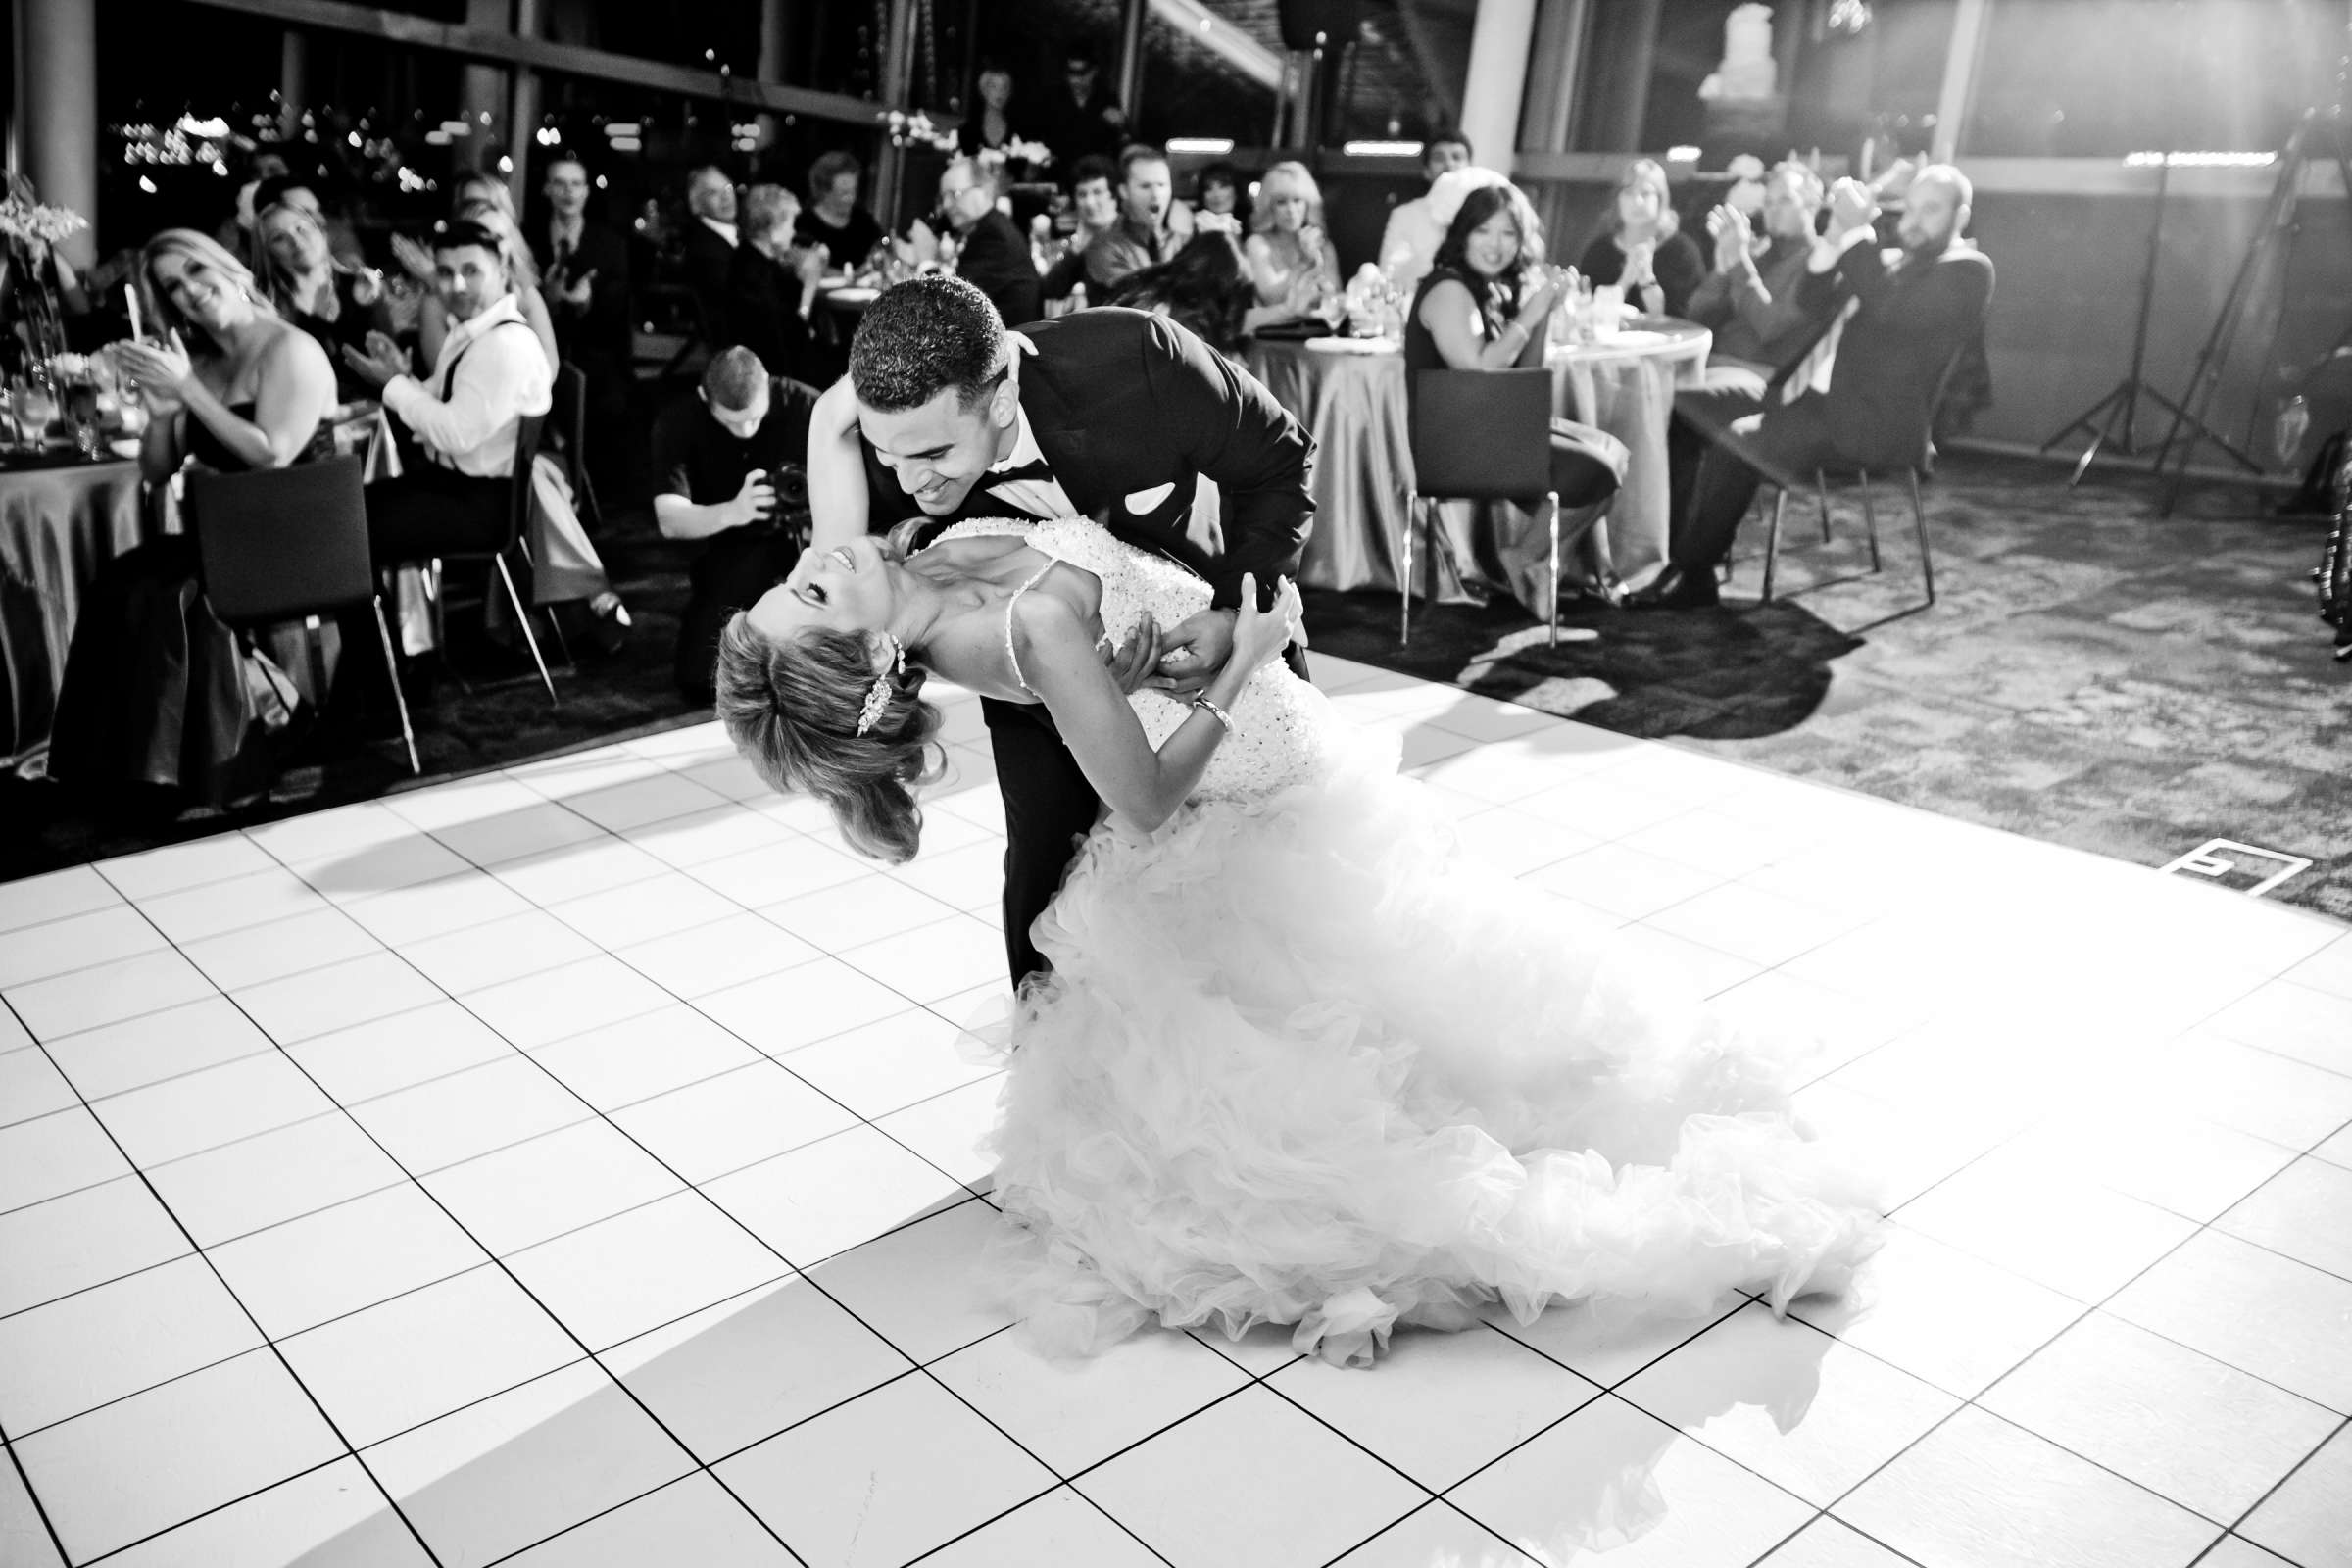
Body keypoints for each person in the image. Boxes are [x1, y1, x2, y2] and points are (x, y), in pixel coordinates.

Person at [711, 525, 1884, 1372]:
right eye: (810, 598)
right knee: (1400, 1026)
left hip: (1264, 767)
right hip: (1260, 790)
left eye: (791, 577)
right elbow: (1148, 805)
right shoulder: (1020, 626)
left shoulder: (929, 559)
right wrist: (1249, 649)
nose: (814, 563)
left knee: (1412, 1008)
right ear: (866, 664)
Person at [799, 275, 1315, 984]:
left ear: (1003, 396)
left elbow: (1283, 461)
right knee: (1046, 878)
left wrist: (1232, 612)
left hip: (1214, 608)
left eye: (934, 457)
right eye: (890, 457)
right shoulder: (900, 431)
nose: (910, 483)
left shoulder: (1138, 361)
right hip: (1030, 673)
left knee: (1283, 902)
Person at [48, 230, 336, 807]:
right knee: (124, 580)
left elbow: (271, 453)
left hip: (298, 536)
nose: (190, 292)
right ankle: (131, 770)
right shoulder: (200, 360)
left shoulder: (291, 348)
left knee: (170, 593)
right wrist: (162, 414)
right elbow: (156, 470)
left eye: (197, 272)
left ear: (232, 270)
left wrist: (188, 391)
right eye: (173, 287)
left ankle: (215, 761)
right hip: (228, 533)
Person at [1642, 165, 1995, 609]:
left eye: (1932, 210)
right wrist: (1834, 242)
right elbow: (1811, 298)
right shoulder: (1891, 261)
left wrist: (1856, 232)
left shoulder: (1966, 271)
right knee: (1690, 416)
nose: (1916, 220)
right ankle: (1671, 556)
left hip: (1870, 423)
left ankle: (1692, 573)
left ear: (1960, 217)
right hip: (1811, 402)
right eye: (1912, 208)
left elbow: (1889, 311)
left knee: (1738, 443)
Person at [1408, 181, 1631, 609]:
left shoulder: (1490, 287)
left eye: (1508, 233)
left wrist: (1543, 310)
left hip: (1495, 425)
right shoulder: (1448, 288)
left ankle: (1534, 559)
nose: (1496, 245)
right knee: (1600, 467)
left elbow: (1525, 372)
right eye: (1484, 231)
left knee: (1614, 456)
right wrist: (1530, 312)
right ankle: (1531, 560)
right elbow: (1480, 370)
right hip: (1454, 443)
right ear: (1463, 235)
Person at [342, 220, 554, 568]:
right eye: (445, 272)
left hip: (480, 507)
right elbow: (446, 399)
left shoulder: (505, 345)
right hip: (458, 488)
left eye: (471, 271)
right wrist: (403, 377)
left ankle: (367, 619)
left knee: (348, 527)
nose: (456, 285)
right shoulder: (477, 331)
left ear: (501, 271)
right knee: (350, 507)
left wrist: (392, 386)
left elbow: (455, 434)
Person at [653, 347, 818, 701]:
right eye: (731, 421)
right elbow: (669, 520)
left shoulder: (808, 407)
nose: (745, 430)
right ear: (704, 399)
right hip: (730, 545)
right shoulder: (679, 421)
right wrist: (733, 511)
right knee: (701, 677)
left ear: (769, 388)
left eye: (754, 418)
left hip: (811, 541)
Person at [1684, 160, 1832, 380]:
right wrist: (1721, 270)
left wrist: (1738, 263)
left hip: (1764, 374)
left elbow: (1772, 327)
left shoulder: (1821, 260)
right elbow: (1695, 317)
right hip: (1720, 360)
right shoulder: (1756, 251)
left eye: (1785, 200)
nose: (1773, 210)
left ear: (1812, 205)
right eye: (1768, 203)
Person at [535, 153, 633, 486]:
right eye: (560, 183)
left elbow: (619, 315)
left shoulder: (611, 244)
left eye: (576, 184)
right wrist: (545, 299)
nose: (568, 192)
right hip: (537, 359)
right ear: (547, 189)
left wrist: (586, 303)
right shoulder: (527, 240)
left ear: (587, 191)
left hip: (595, 361)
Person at [255, 198, 395, 403]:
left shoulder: (361, 284)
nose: (295, 240)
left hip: (379, 412)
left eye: (300, 228)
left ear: (320, 231)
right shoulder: (270, 308)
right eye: (279, 238)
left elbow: (391, 367)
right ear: (269, 254)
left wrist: (375, 305)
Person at [1577, 158, 1707, 320]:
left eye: (1645, 193)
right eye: (1629, 193)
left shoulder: (1682, 252)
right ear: (1618, 199)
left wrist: (1647, 279)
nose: (1637, 201)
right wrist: (1625, 280)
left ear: (1661, 200)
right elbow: (1587, 314)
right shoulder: (1599, 250)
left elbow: (1683, 318)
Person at [725, 183, 827, 386]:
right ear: (771, 229)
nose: (792, 232)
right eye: (789, 224)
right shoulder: (753, 274)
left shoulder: (756, 261)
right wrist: (809, 285)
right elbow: (790, 341)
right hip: (769, 381)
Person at [934, 156, 1042, 327]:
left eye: (955, 194)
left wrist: (925, 262)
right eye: (943, 197)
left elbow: (951, 304)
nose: (946, 205)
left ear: (984, 190)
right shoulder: (990, 227)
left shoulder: (993, 237)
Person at [1376, 130, 1476, 292]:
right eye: (1439, 158)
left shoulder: (1481, 214)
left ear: (1470, 168)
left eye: (1457, 157)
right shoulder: (1405, 215)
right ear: (1426, 171)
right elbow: (1389, 274)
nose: (1449, 165)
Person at [1242, 160, 1341, 318]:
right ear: (1269, 207)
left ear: (1308, 204)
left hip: (1317, 332)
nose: (1291, 210)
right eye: (1281, 202)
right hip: (1271, 335)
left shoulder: (1323, 245)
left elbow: (1335, 300)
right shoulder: (1257, 244)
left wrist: (1318, 265)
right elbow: (1271, 298)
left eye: (1297, 200)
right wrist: (1303, 263)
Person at [1083, 143, 1183, 290]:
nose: (1156, 195)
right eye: (1145, 186)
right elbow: (1139, 301)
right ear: (1124, 191)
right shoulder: (1105, 246)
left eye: (1162, 185)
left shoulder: (1181, 242)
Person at [1039, 154, 1118, 307]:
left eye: (1097, 192)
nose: (1089, 202)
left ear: (1113, 195)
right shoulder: (1086, 242)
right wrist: (1077, 248)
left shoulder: (1131, 231)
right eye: (1082, 194)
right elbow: (1051, 290)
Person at [1038, 38, 1127, 172]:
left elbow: (1120, 142)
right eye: (1071, 73)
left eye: (1081, 74)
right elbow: (1039, 139)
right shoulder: (1052, 99)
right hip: (1057, 173)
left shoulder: (1106, 99)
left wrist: (1122, 124)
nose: (1075, 80)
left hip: (1094, 175)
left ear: (1093, 72)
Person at [795, 151, 887, 273]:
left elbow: (881, 248)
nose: (851, 198)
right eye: (844, 193)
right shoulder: (804, 223)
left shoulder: (863, 219)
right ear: (824, 192)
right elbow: (801, 266)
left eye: (853, 190)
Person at [679, 165, 740, 341]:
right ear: (697, 204)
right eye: (713, 193)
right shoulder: (704, 248)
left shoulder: (740, 233)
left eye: (728, 188)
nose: (726, 197)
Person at [1195, 161, 1249, 227]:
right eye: (1209, 189)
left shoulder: (1253, 226)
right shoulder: (1191, 227)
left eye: (1223, 186)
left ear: (1237, 191)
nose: (1216, 194)